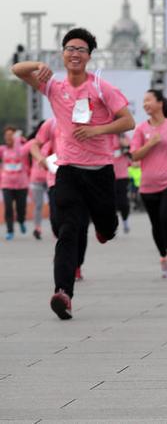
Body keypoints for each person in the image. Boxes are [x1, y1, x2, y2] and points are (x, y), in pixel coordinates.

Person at [12, 27, 135, 319]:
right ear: (63, 55)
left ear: (89, 56)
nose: (75, 54)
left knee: (107, 225)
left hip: (101, 172)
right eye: (70, 49)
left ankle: (106, 230)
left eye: (81, 49)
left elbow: (128, 121)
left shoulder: (101, 87)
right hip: (68, 172)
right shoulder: (54, 87)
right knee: (68, 231)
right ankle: (63, 292)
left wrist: (98, 129)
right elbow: (17, 69)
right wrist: (38, 66)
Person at [130, 89, 167, 278]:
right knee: (156, 224)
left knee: (166, 218)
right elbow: (135, 155)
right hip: (148, 185)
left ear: (160, 103)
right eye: (144, 101)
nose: (145, 104)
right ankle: (163, 256)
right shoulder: (140, 129)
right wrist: (150, 143)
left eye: (149, 100)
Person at [2, 126, 31, 240]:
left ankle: (21, 221)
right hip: (6, 184)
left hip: (21, 184)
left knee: (21, 208)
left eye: (11, 135)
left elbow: (29, 146)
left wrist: (20, 140)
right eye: (6, 135)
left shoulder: (22, 149)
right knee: (8, 207)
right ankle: (10, 231)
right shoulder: (3, 149)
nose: (8, 137)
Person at [25, 121, 48, 240]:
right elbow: (21, 154)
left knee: (56, 204)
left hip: (51, 178)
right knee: (38, 205)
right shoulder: (32, 143)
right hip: (36, 179)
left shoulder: (54, 141)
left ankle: (57, 228)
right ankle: (37, 228)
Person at [112, 134, 132, 234]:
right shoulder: (108, 135)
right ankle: (113, 226)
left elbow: (131, 155)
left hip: (122, 175)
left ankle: (125, 221)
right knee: (112, 203)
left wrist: (126, 147)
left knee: (123, 202)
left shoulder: (124, 136)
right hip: (109, 175)